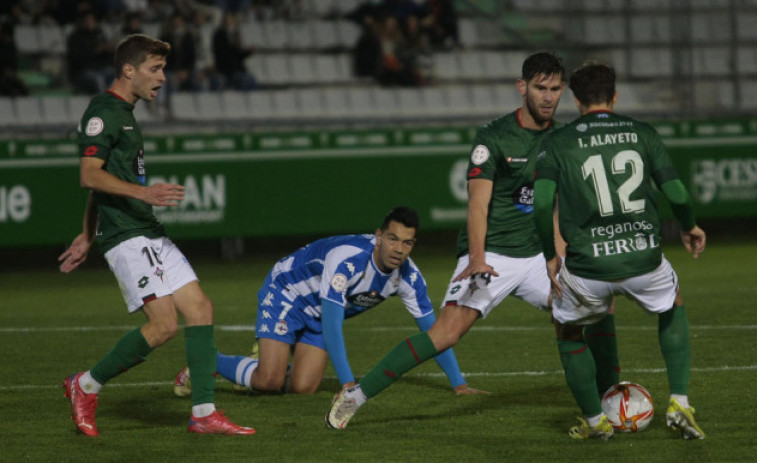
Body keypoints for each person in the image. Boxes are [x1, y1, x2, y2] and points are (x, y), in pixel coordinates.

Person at [326, 52, 621, 429]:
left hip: (536, 255)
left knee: (593, 304)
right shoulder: (494, 137)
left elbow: (556, 209)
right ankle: (357, 394)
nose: (548, 97)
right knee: (446, 334)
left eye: (555, 89)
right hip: (492, 254)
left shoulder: (562, 139)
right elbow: (477, 206)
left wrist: (560, 257)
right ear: (522, 88)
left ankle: (610, 399)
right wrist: (477, 259)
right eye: (540, 88)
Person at [57, 34, 254, 437]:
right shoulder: (103, 112)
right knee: (163, 325)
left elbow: (103, 183)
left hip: (145, 230)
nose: (163, 77)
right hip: (129, 237)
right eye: (155, 68)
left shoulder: (126, 113)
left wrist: (86, 233)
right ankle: (85, 385)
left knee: (200, 309)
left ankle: (203, 412)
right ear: (128, 70)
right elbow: (89, 175)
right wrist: (143, 194)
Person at [532, 62, 706, 440]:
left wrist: (550, 254)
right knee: (672, 302)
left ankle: (596, 424)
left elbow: (543, 206)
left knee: (568, 330)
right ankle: (679, 402)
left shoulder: (557, 142)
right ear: (614, 96)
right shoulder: (642, 133)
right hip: (643, 258)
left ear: (576, 101)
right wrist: (690, 225)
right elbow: (677, 193)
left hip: (587, 268)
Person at [174, 207, 485, 396]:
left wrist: (457, 383)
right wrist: (348, 383)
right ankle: (207, 363)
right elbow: (333, 325)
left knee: (303, 388)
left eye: (406, 243)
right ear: (378, 236)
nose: (398, 249)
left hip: (318, 310)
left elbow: (434, 332)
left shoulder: (409, 277)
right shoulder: (347, 261)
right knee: (269, 382)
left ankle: (259, 365)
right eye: (392, 238)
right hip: (288, 292)